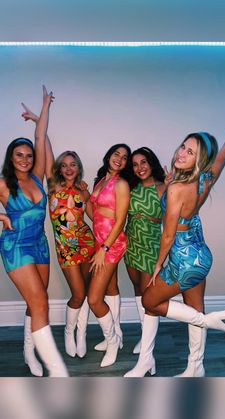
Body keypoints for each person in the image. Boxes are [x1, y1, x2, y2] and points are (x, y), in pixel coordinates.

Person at [124, 129, 225, 377]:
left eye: (191, 151)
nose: (182, 153)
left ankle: (209, 321)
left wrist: (157, 266)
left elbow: (167, 235)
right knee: (194, 307)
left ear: (200, 159)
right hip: (199, 256)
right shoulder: (207, 178)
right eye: (183, 146)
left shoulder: (176, 188)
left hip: (183, 261)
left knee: (149, 301)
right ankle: (195, 367)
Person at [0, 86, 68, 377]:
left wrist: (43, 107)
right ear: (11, 157)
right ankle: (57, 371)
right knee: (40, 302)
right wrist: (1, 216)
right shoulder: (3, 183)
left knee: (36, 301)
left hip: (39, 245)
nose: (26, 159)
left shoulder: (38, 176)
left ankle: (29, 350)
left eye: (28, 155)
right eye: (20, 155)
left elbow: (41, 137)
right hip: (16, 247)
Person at [21, 106, 95, 360]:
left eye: (73, 164)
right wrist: (37, 121)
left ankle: (82, 334)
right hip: (66, 249)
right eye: (64, 165)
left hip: (87, 243)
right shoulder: (52, 187)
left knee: (86, 290)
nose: (69, 168)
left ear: (78, 167)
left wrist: (88, 196)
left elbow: (94, 218)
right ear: (59, 169)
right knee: (78, 293)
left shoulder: (84, 190)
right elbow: (46, 148)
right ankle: (68, 331)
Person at [87, 143, 131, 367]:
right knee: (111, 287)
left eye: (124, 157)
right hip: (99, 240)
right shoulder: (100, 180)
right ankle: (118, 334)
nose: (120, 159)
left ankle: (112, 341)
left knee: (94, 298)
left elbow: (120, 220)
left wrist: (104, 249)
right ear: (109, 155)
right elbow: (94, 212)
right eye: (117, 154)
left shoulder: (121, 184)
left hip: (111, 244)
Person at [124, 147, 166, 354]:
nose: (140, 168)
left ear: (151, 163)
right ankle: (144, 332)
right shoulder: (130, 188)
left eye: (143, 162)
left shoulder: (163, 187)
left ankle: (148, 345)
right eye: (135, 164)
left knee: (149, 295)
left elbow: (173, 219)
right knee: (138, 290)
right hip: (130, 244)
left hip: (151, 246)